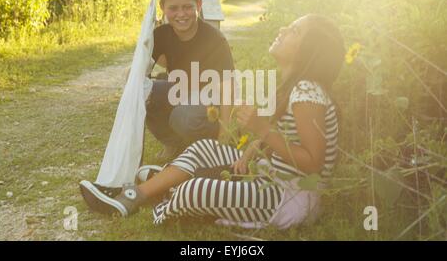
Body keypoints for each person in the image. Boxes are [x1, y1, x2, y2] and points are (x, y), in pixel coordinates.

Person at [80, 14, 345, 230]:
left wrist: (261, 129)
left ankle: (171, 182)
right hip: (269, 178)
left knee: (194, 191)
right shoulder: (295, 87)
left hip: (288, 198)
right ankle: (135, 196)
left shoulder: (308, 93)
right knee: (203, 148)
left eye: (295, 31)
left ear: (308, 51)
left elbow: (313, 163)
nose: (284, 28)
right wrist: (255, 146)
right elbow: (286, 137)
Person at [146, 0, 234, 159]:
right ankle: (173, 143)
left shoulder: (215, 40)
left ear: (199, 4)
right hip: (183, 90)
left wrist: (224, 134)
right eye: (173, 8)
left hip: (209, 101)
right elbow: (146, 67)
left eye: (187, 7)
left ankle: (203, 149)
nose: (181, 14)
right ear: (162, 7)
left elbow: (228, 89)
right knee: (146, 92)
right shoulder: (160, 35)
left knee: (183, 116)